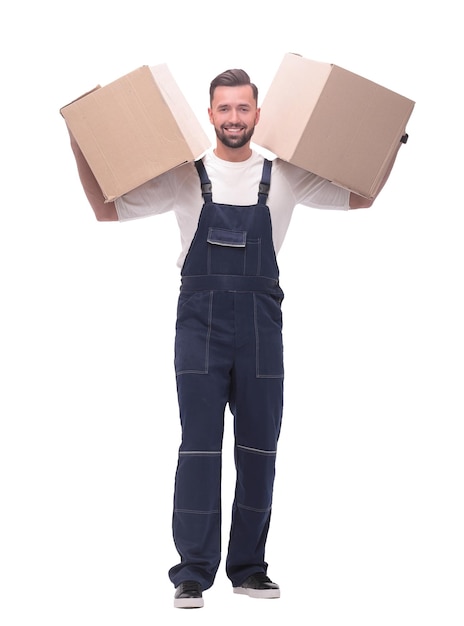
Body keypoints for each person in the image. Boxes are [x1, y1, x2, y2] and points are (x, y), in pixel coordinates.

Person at [66, 68, 405, 609]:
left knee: (259, 449)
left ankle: (248, 569)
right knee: (198, 448)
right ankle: (192, 573)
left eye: (242, 109)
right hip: (198, 326)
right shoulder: (183, 175)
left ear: (257, 115)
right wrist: (78, 138)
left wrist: (392, 141)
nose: (233, 118)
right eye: (224, 109)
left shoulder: (286, 176)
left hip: (260, 327)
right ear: (210, 115)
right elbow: (106, 209)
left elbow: (362, 197)